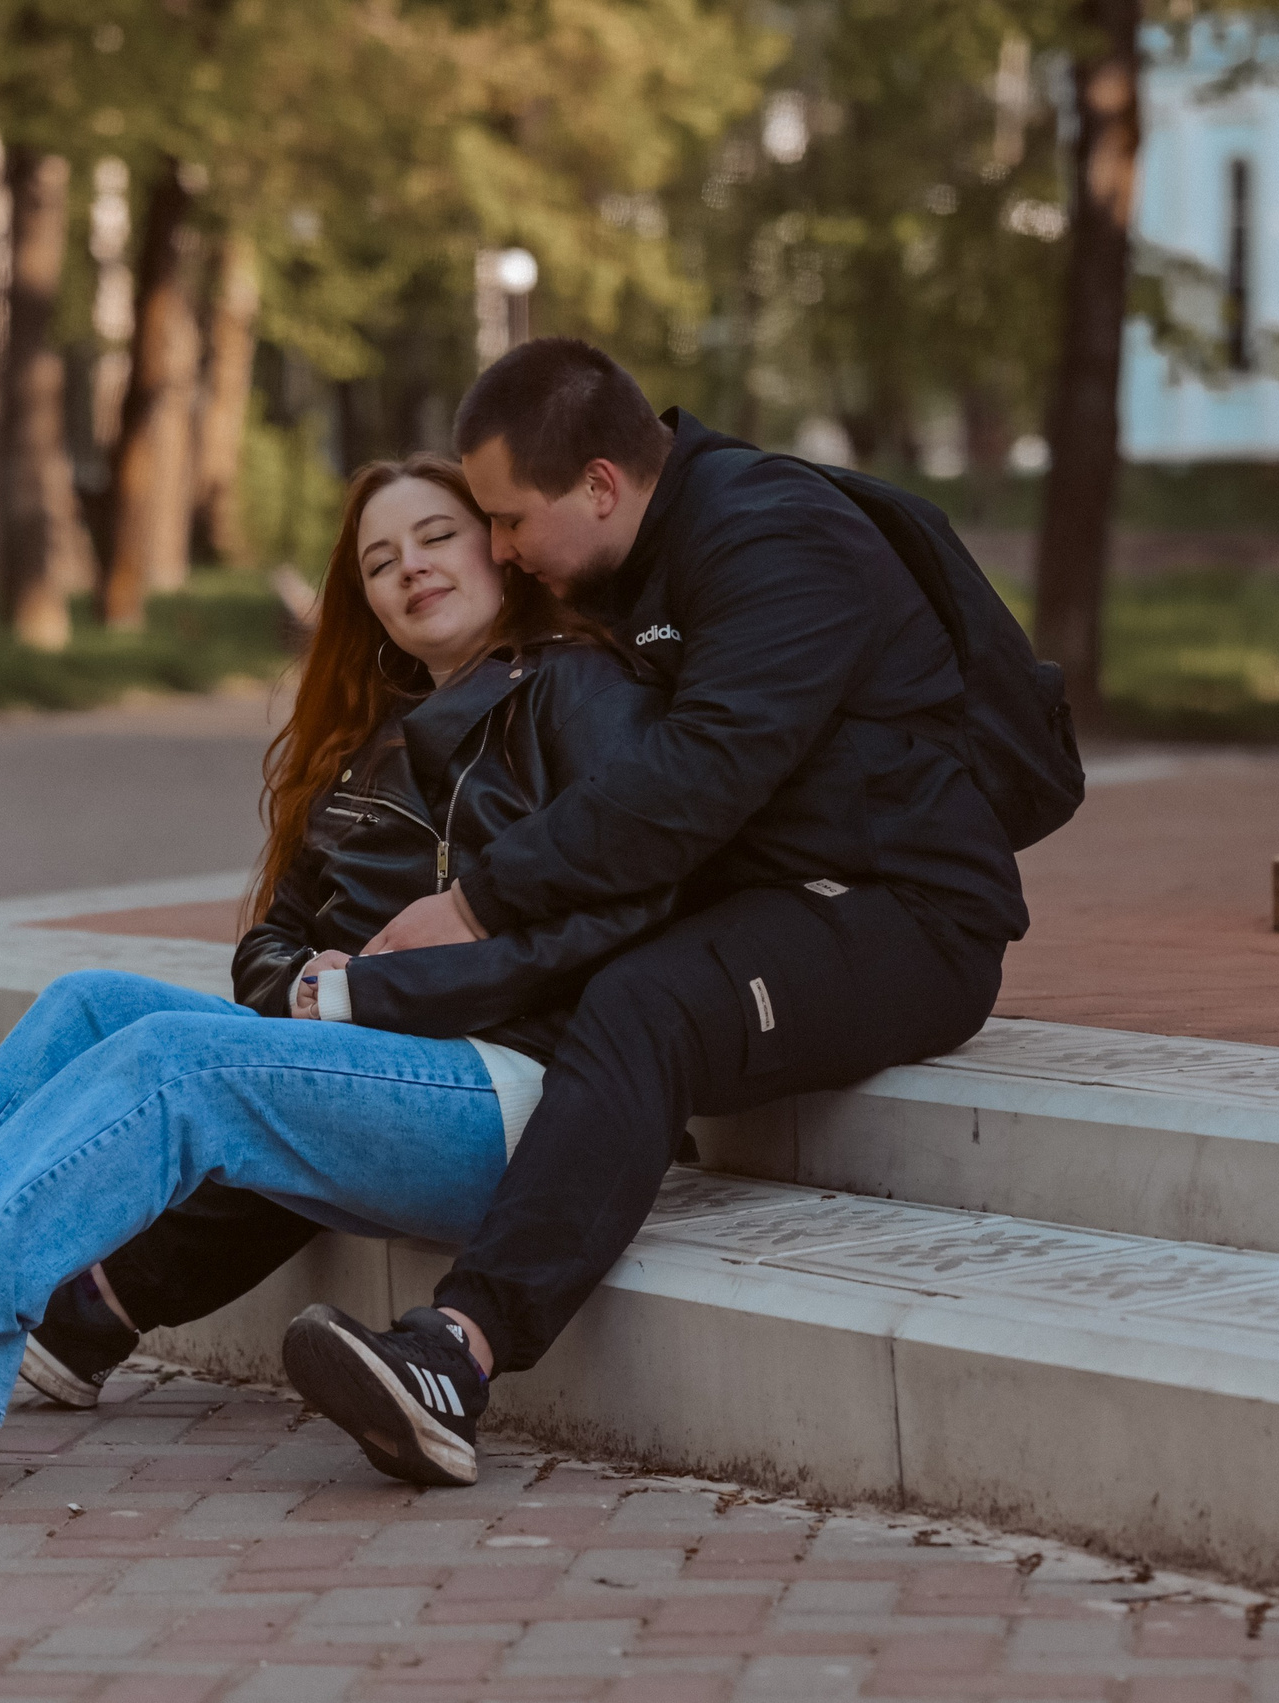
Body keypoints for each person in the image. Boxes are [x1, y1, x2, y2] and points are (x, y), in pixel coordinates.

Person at [0, 452, 672, 1490]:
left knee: (177, 1061)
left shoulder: (579, 689)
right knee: (89, 1003)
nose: (410, 567)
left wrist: (362, 992)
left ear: (501, 547)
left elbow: (613, 917)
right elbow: (271, 940)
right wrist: (306, 988)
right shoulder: (370, 746)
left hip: (513, 1095)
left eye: (437, 536)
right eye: (379, 561)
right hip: (367, 1073)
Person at [265, 339, 1030, 1486]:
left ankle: (454, 1357)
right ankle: (107, 1301)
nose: (499, 548)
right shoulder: (625, 557)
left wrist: (477, 901)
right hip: (753, 899)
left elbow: (696, 779)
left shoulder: (776, 537)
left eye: (508, 520)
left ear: (599, 485)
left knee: (642, 1002)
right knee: (479, 1007)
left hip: (903, 913)